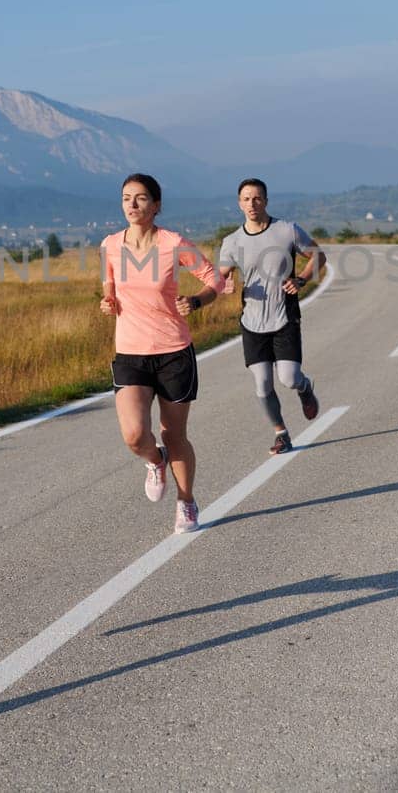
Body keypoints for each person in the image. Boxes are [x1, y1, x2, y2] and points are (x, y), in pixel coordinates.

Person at [99, 173, 225, 534]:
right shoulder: (110, 245)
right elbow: (108, 285)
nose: (132, 205)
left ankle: (186, 501)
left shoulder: (173, 243)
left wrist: (198, 300)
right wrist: (108, 302)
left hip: (173, 352)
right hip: (130, 354)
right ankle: (156, 461)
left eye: (140, 198)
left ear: (156, 205)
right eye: (126, 198)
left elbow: (213, 278)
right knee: (135, 435)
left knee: (174, 434)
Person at [216, 178, 324, 455]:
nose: (252, 204)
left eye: (257, 198)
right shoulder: (231, 242)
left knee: (288, 378)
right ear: (239, 203)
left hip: (284, 317)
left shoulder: (287, 230)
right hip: (252, 322)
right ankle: (282, 434)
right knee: (262, 384)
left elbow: (318, 256)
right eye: (246, 199)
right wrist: (225, 284)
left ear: (266, 200)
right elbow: (222, 277)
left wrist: (301, 280)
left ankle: (304, 387)